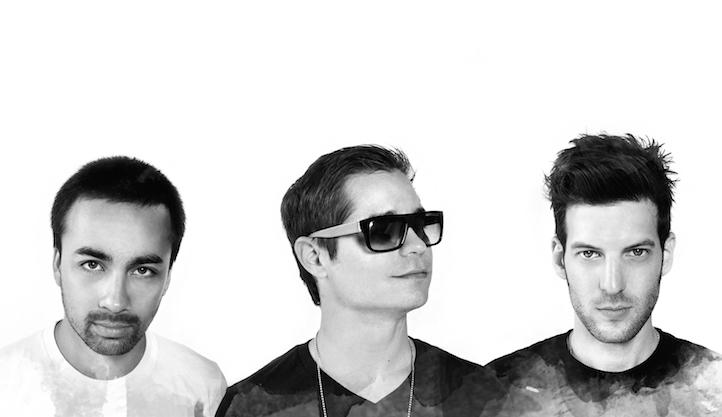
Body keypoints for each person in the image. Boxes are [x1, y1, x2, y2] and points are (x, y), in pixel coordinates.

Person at [217, 145, 509, 417]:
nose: (418, 246)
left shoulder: (483, 397)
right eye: (383, 230)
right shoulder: (250, 407)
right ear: (315, 256)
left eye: (420, 225)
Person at [487, 134, 722, 416]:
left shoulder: (715, 390)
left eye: (636, 252)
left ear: (666, 254)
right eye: (590, 254)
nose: (612, 285)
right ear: (560, 259)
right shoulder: (496, 395)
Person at [0, 156, 227, 416]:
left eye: (142, 270)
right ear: (58, 264)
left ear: (167, 277)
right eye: (92, 265)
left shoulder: (203, 387)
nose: (115, 302)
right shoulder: (5, 385)